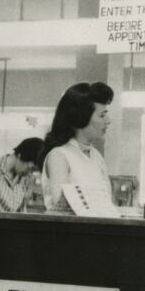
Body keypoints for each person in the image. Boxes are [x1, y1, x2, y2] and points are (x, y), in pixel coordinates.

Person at [41, 83, 113, 213]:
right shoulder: (59, 156)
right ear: (81, 118)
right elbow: (62, 211)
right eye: (102, 115)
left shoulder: (96, 156)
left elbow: (106, 202)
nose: (108, 121)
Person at [0, 138, 44, 213]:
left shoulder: (24, 179)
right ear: (20, 155)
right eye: (30, 168)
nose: (29, 174)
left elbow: (21, 212)